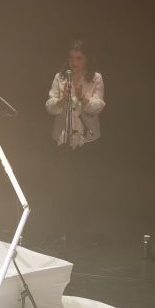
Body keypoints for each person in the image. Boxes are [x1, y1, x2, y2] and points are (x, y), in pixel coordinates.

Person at [43, 39, 106, 246]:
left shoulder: (95, 78)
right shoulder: (61, 77)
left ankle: (78, 231)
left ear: (86, 59)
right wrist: (62, 99)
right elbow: (50, 105)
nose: (74, 62)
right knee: (62, 185)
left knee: (81, 186)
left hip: (85, 139)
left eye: (78, 58)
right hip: (63, 136)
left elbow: (97, 106)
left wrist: (83, 98)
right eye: (71, 58)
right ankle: (61, 229)